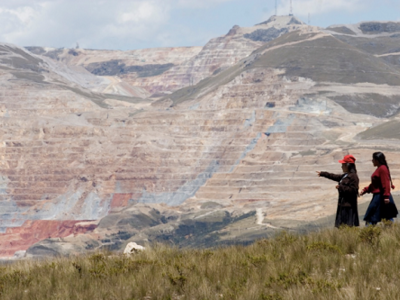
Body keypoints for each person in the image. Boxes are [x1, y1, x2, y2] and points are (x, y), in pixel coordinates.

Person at [317, 154, 359, 227]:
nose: (341, 167)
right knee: (341, 225)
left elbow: (353, 190)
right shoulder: (345, 175)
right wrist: (323, 174)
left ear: (348, 165)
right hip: (343, 204)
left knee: (347, 225)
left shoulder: (353, 177)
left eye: (343, 165)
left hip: (348, 206)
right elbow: (334, 176)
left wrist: (341, 187)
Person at [361, 152, 398, 225]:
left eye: (373, 159)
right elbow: (375, 184)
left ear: (377, 160)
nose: (372, 161)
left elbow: (385, 183)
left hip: (380, 197)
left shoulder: (382, 169)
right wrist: (366, 190)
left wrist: (386, 196)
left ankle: (369, 233)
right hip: (380, 196)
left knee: (372, 216)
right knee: (386, 216)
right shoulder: (380, 168)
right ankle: (391, 231)